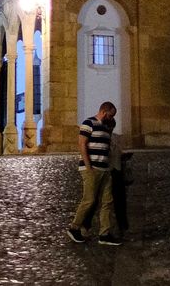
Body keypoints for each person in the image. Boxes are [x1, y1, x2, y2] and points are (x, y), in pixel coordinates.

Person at [67, 101, 121, 246]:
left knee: (107, 201)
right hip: (91, 169)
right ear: (104, 111)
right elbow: (82, 144)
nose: (112, 118)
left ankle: (105, 233)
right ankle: (74, 227)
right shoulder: (88, 123)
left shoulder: (106, 127)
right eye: (111, 115)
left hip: (104, 169)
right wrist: (88, 166)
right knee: (89, 200)